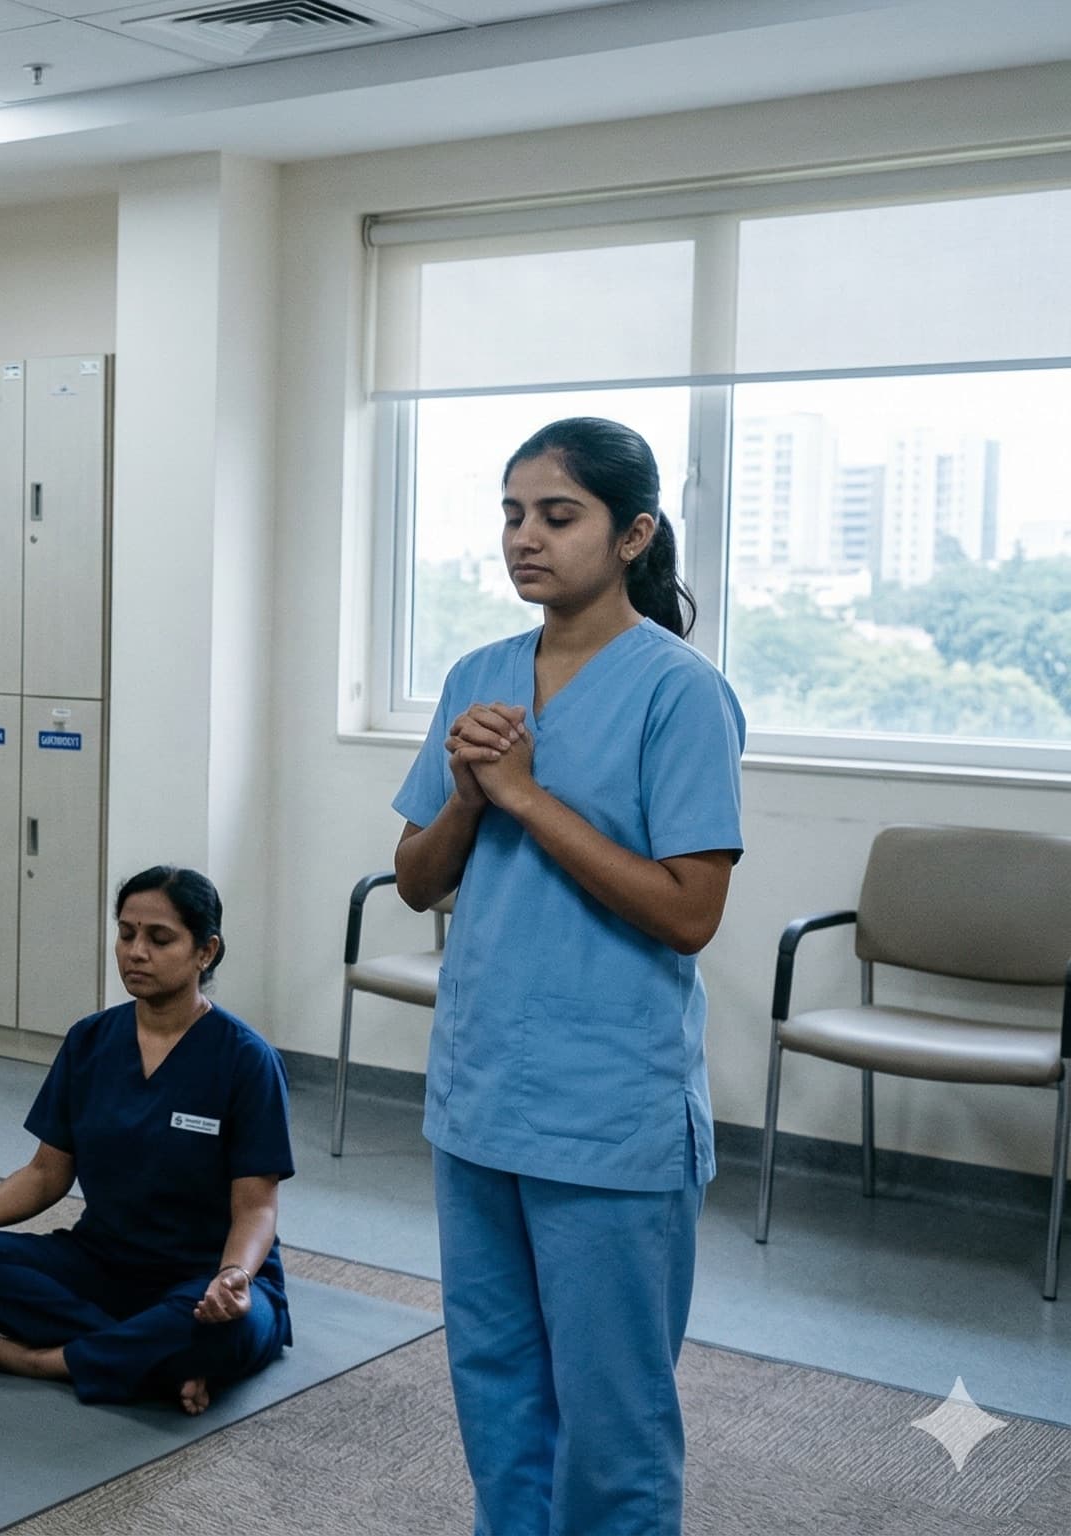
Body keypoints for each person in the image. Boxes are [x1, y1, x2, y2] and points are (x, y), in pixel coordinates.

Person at [392, 417, 744, 1536]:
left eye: (556, 515)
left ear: (632, 532)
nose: (523, 538)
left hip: (607, 1112)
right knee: (495, 1389)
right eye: (509, 513)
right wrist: (465, 790)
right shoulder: (477, 677)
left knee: (610, 1415)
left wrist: (528, 795)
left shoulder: (677, 692)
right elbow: (413, 882)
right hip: (482, 1094)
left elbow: (689, 914)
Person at [0, 866, 293, 1416]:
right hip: (105, 1263)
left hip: (206, 1279)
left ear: (207, 951)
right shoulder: (91, 1040)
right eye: (126, 934)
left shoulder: (247, 1060)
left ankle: (42, 1361)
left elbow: (257, 1206)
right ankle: (150, 1359)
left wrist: (234, 1275)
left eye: (159, 938)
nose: (135, 952)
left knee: (227, 1331)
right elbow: (46, 1174)